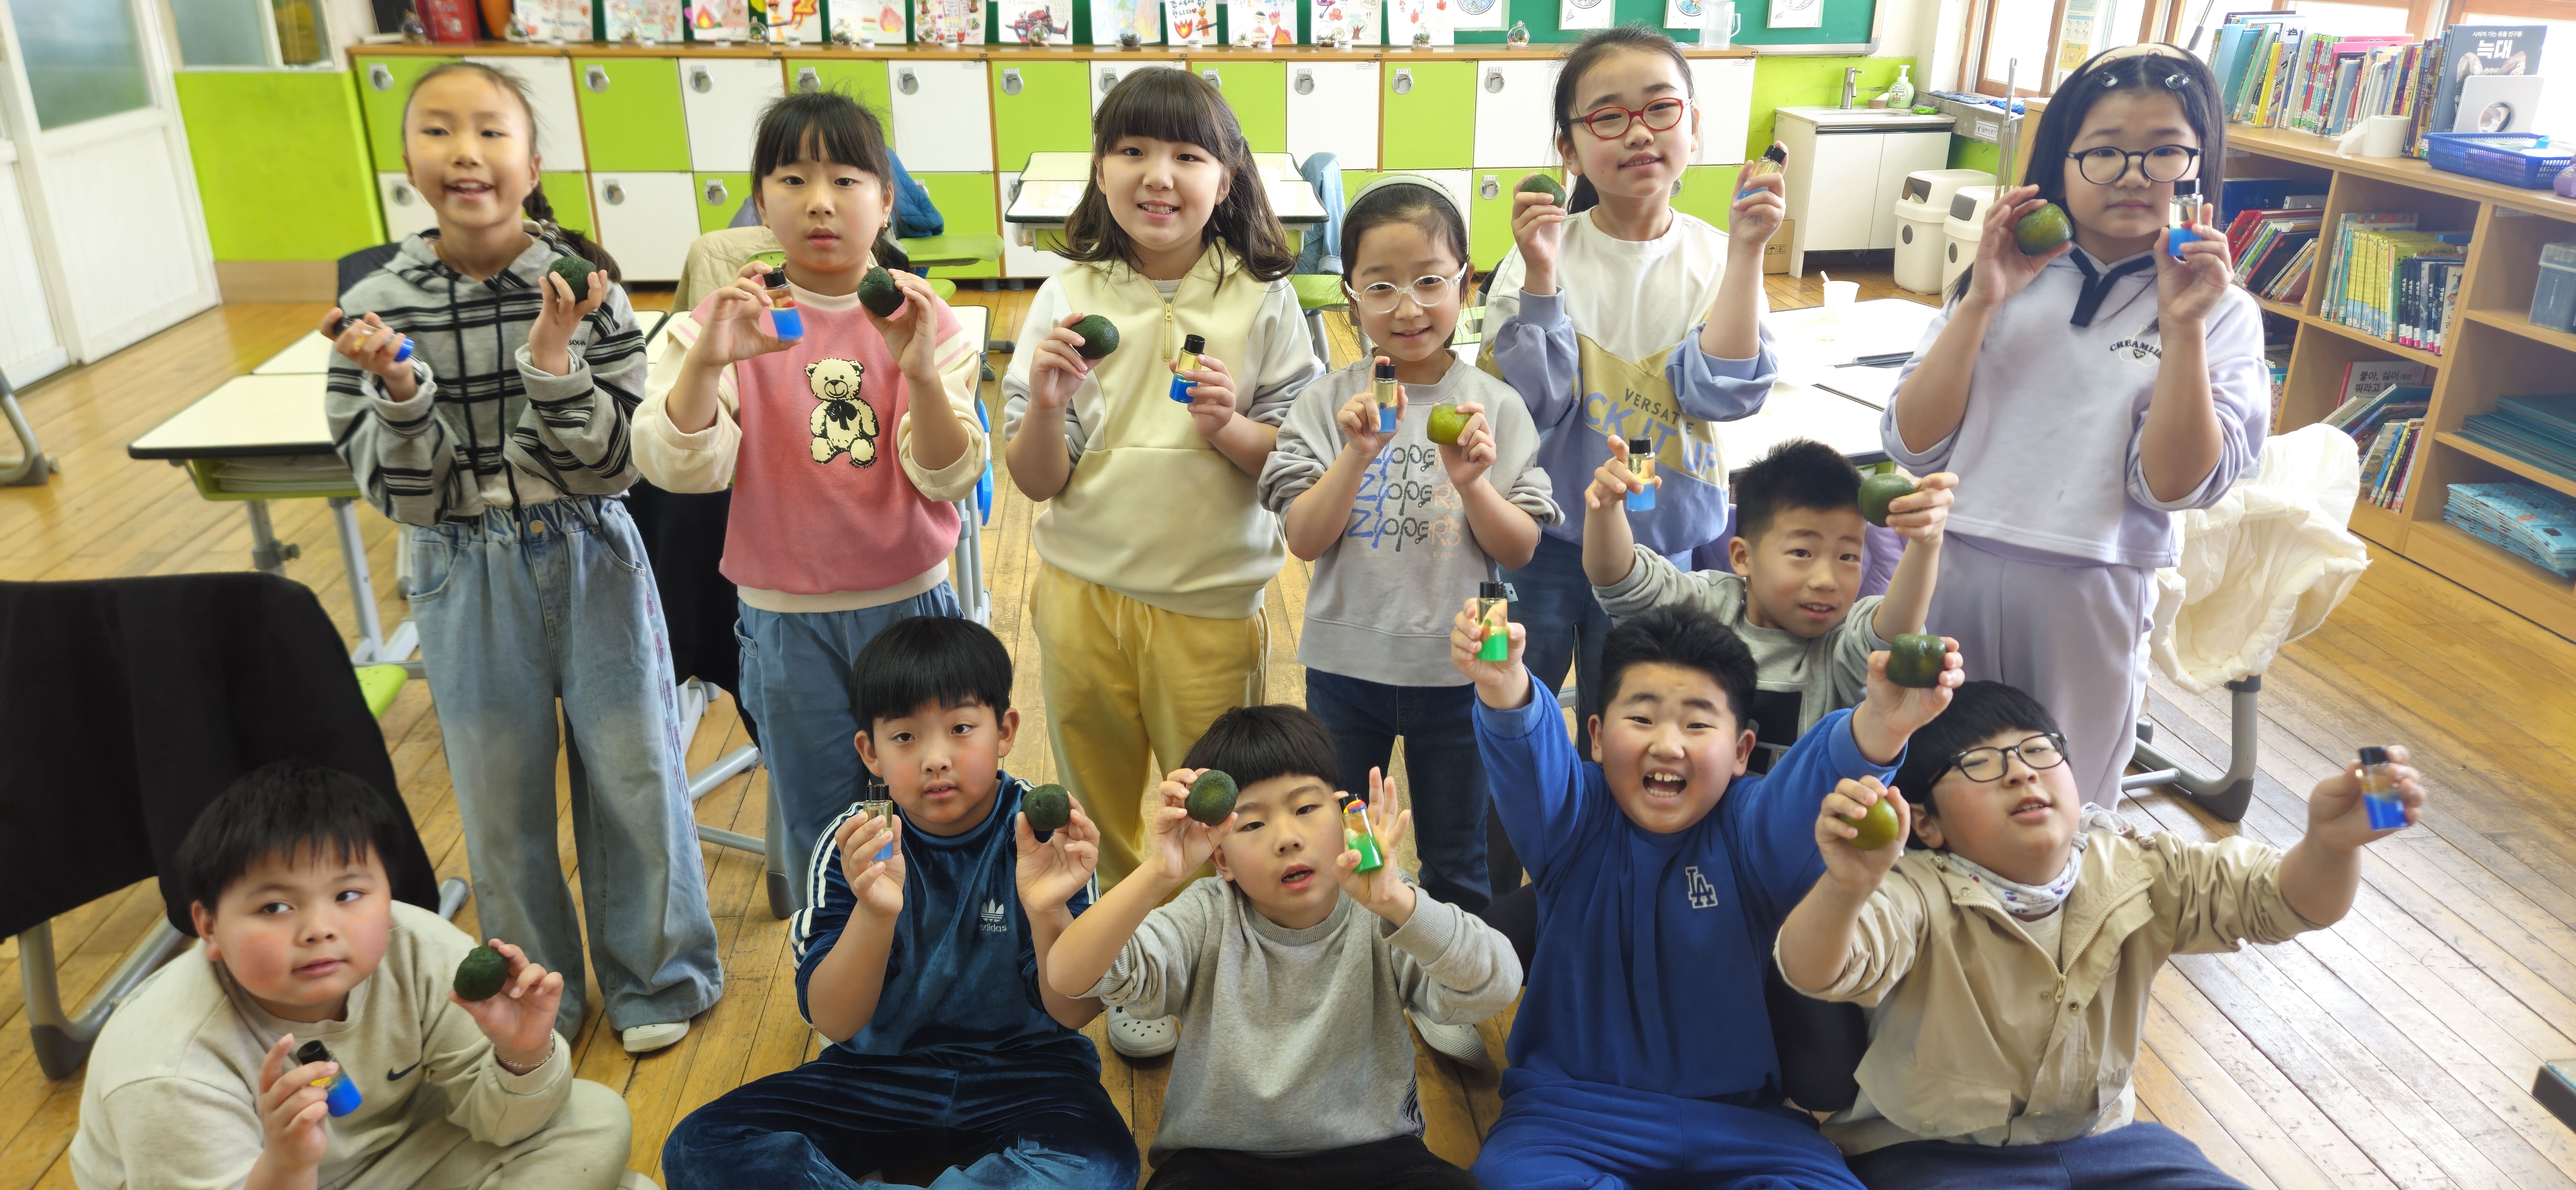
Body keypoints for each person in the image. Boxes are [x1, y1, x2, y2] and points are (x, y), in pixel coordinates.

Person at [321, 62, 720, 1053]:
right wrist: (404, 392)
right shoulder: (375, 304)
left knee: (636, 775)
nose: (466, 153)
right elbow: (403, 491)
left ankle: (656, 976)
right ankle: (537, 989)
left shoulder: (586, 284)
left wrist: (552, 356)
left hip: (589, 547)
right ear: (406, 158)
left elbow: (618, 461)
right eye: (439, 131)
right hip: (460, 566)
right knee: (499, 798)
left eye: (492, 132)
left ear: (533, 160)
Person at [1774, 682, 2427, 1189]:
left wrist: (2330, 846)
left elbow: (2280, 901)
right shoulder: (1919, 888)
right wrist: (1848, 886)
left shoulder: (2139, 865)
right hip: (1932, 1155)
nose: (2022, 772)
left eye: (2038, 750)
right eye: (1978, 763)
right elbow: (1815, 969)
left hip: (2107, 1144)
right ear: (1929, 824)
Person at [1000, 67, 1322, 1056]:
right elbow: (1033, 477)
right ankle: (1133, 963)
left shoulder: (1260, 298)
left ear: (1225, 179)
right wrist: (1048, 402)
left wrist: (1232, 426)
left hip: (1206, 602)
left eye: (1188, 155)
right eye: (1132, 151)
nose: (1158, 176)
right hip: (1084, 592)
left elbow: (1300, 456)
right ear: (1098, 172)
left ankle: (1219, 955)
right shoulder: (1066, 293)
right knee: (1100, 793)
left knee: (1212, 798)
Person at [1455, 603, 1959, 1189]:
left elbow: (1813, 784)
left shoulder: (1752, 829)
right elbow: (1525, 753)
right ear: (1595, 736)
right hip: (1569, 1123)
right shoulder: (1568, 818)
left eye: (1697, 724)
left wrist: (1884, 721)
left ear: (1743, 751)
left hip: (1751, 1129)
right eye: (1641, 719)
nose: (1668, 745)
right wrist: (1504, 682)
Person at [1881, 43, 2265, 807]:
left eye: (2163, 153)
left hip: (2090, 583)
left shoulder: (2220, 313)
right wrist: (1982, 300)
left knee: (2059, 808)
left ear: (2198, 167)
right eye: (2103, 153)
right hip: (1949, 567)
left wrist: (2181, 326)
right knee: (1928, 787)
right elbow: (1911, 440)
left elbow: (2172, 484)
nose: (2132, 173)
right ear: (2058, 164)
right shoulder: (2001, 276)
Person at [636, 89, 986, 883]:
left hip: (908, 604)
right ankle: (838, 979)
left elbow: (946, 471)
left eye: (846, 180)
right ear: (759, 200)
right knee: (819, 819)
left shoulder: (924, 317)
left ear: (886, 199)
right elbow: (679, 463)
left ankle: (937, 971)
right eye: (792, 180)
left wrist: (921, 371)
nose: (819, 203)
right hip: (785, 618)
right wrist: (708, 360)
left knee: (936, 802)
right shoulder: (722, 321)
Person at [658, 617, 1136, 1189]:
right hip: (875, 1074)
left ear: (1004, 731)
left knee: (1103, 1165)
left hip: (1032, 1073)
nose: (936, 757)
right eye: (906, 737)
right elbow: (833, 1019)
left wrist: (1047, 909)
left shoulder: (1045, 829)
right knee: (701, 1145)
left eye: (961, 727)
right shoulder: (855, 842)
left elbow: (1075, 1011)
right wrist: (875, 911)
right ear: (871, 751)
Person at [1479, 27, 1789, 885]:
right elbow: (1527, 404)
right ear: (1567, 146)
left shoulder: (1714, 255)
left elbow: (1725, 389)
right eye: (1607, 118)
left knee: (1655, 717)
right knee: (1525, 710)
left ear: (1694, 129)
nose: (1639, 133)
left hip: (1665, 547)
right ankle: (1509, 884)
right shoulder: (1543, 253)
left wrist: (1752, 252)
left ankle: (1641, 878)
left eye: (1661, 109)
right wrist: (1542, 273)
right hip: (1545, 545)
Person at [71, 761, 645, 1190]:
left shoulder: (420, 947)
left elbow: (504, 1123)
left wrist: (523, 1052)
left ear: (386, 892)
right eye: (274, 907)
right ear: (209, 926)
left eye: (348, 893)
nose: (319, 928)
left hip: (398, 1155)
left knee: (595, 1116)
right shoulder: (165, 1068)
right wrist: (287, 1163)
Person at [1260, 173, 1559, 949]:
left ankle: (1447, 985)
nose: (1407, 307)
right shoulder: (1326, 403)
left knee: (1455, 853)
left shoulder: (1496, 406)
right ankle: (1342, 976)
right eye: (1380, 286)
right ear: (1349, 297)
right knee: (1338, 839)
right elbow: (1304, 537)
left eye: (1430, 281)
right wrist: (1356, 457)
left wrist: (1473, 485)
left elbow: (1519, 545)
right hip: (1345, 666)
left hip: (1460, 671)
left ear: (1465, 284)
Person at [1045, 706, 1520, 1189]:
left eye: (1306, 809)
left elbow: (1497, 985)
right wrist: (1158, 874)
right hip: (1219, 1163)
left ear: (1342, 814)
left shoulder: (1386, 905)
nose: (1288, 839)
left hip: (1379, 1155)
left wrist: (1403, 904)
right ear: (1221, 861)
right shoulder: (1206, 914)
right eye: (1252, 825)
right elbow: (1068, 974)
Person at [1583, 437, 1953, 775]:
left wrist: (1926, 543)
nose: (1827, 580)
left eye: (1848, 556)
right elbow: (1621, 581)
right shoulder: (1707, 607)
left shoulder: (1842, 645)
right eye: (1802, 553)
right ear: (1743, 557)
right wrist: (1606, 508)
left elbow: (1893, 631)